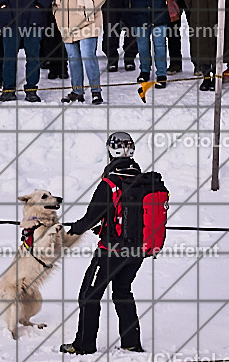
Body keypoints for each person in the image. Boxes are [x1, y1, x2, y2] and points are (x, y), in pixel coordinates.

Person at [60, 132, 165, 355]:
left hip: (112, 252)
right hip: (138, 251)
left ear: (110, 153)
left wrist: (74, 230)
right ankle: (131, 342)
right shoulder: (143, 182)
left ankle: (84, 345)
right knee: (122, 291)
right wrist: (105, 227)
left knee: (89, 295)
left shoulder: (111, 183)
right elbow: (125, 216)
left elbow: (91, 217)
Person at [54, 0, 108, 104]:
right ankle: (77, 90)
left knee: (87, 56)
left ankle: (96, 91)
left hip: (87, 21)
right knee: (73, 59)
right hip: (67, 21)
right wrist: (56, 11)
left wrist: (89, 10)